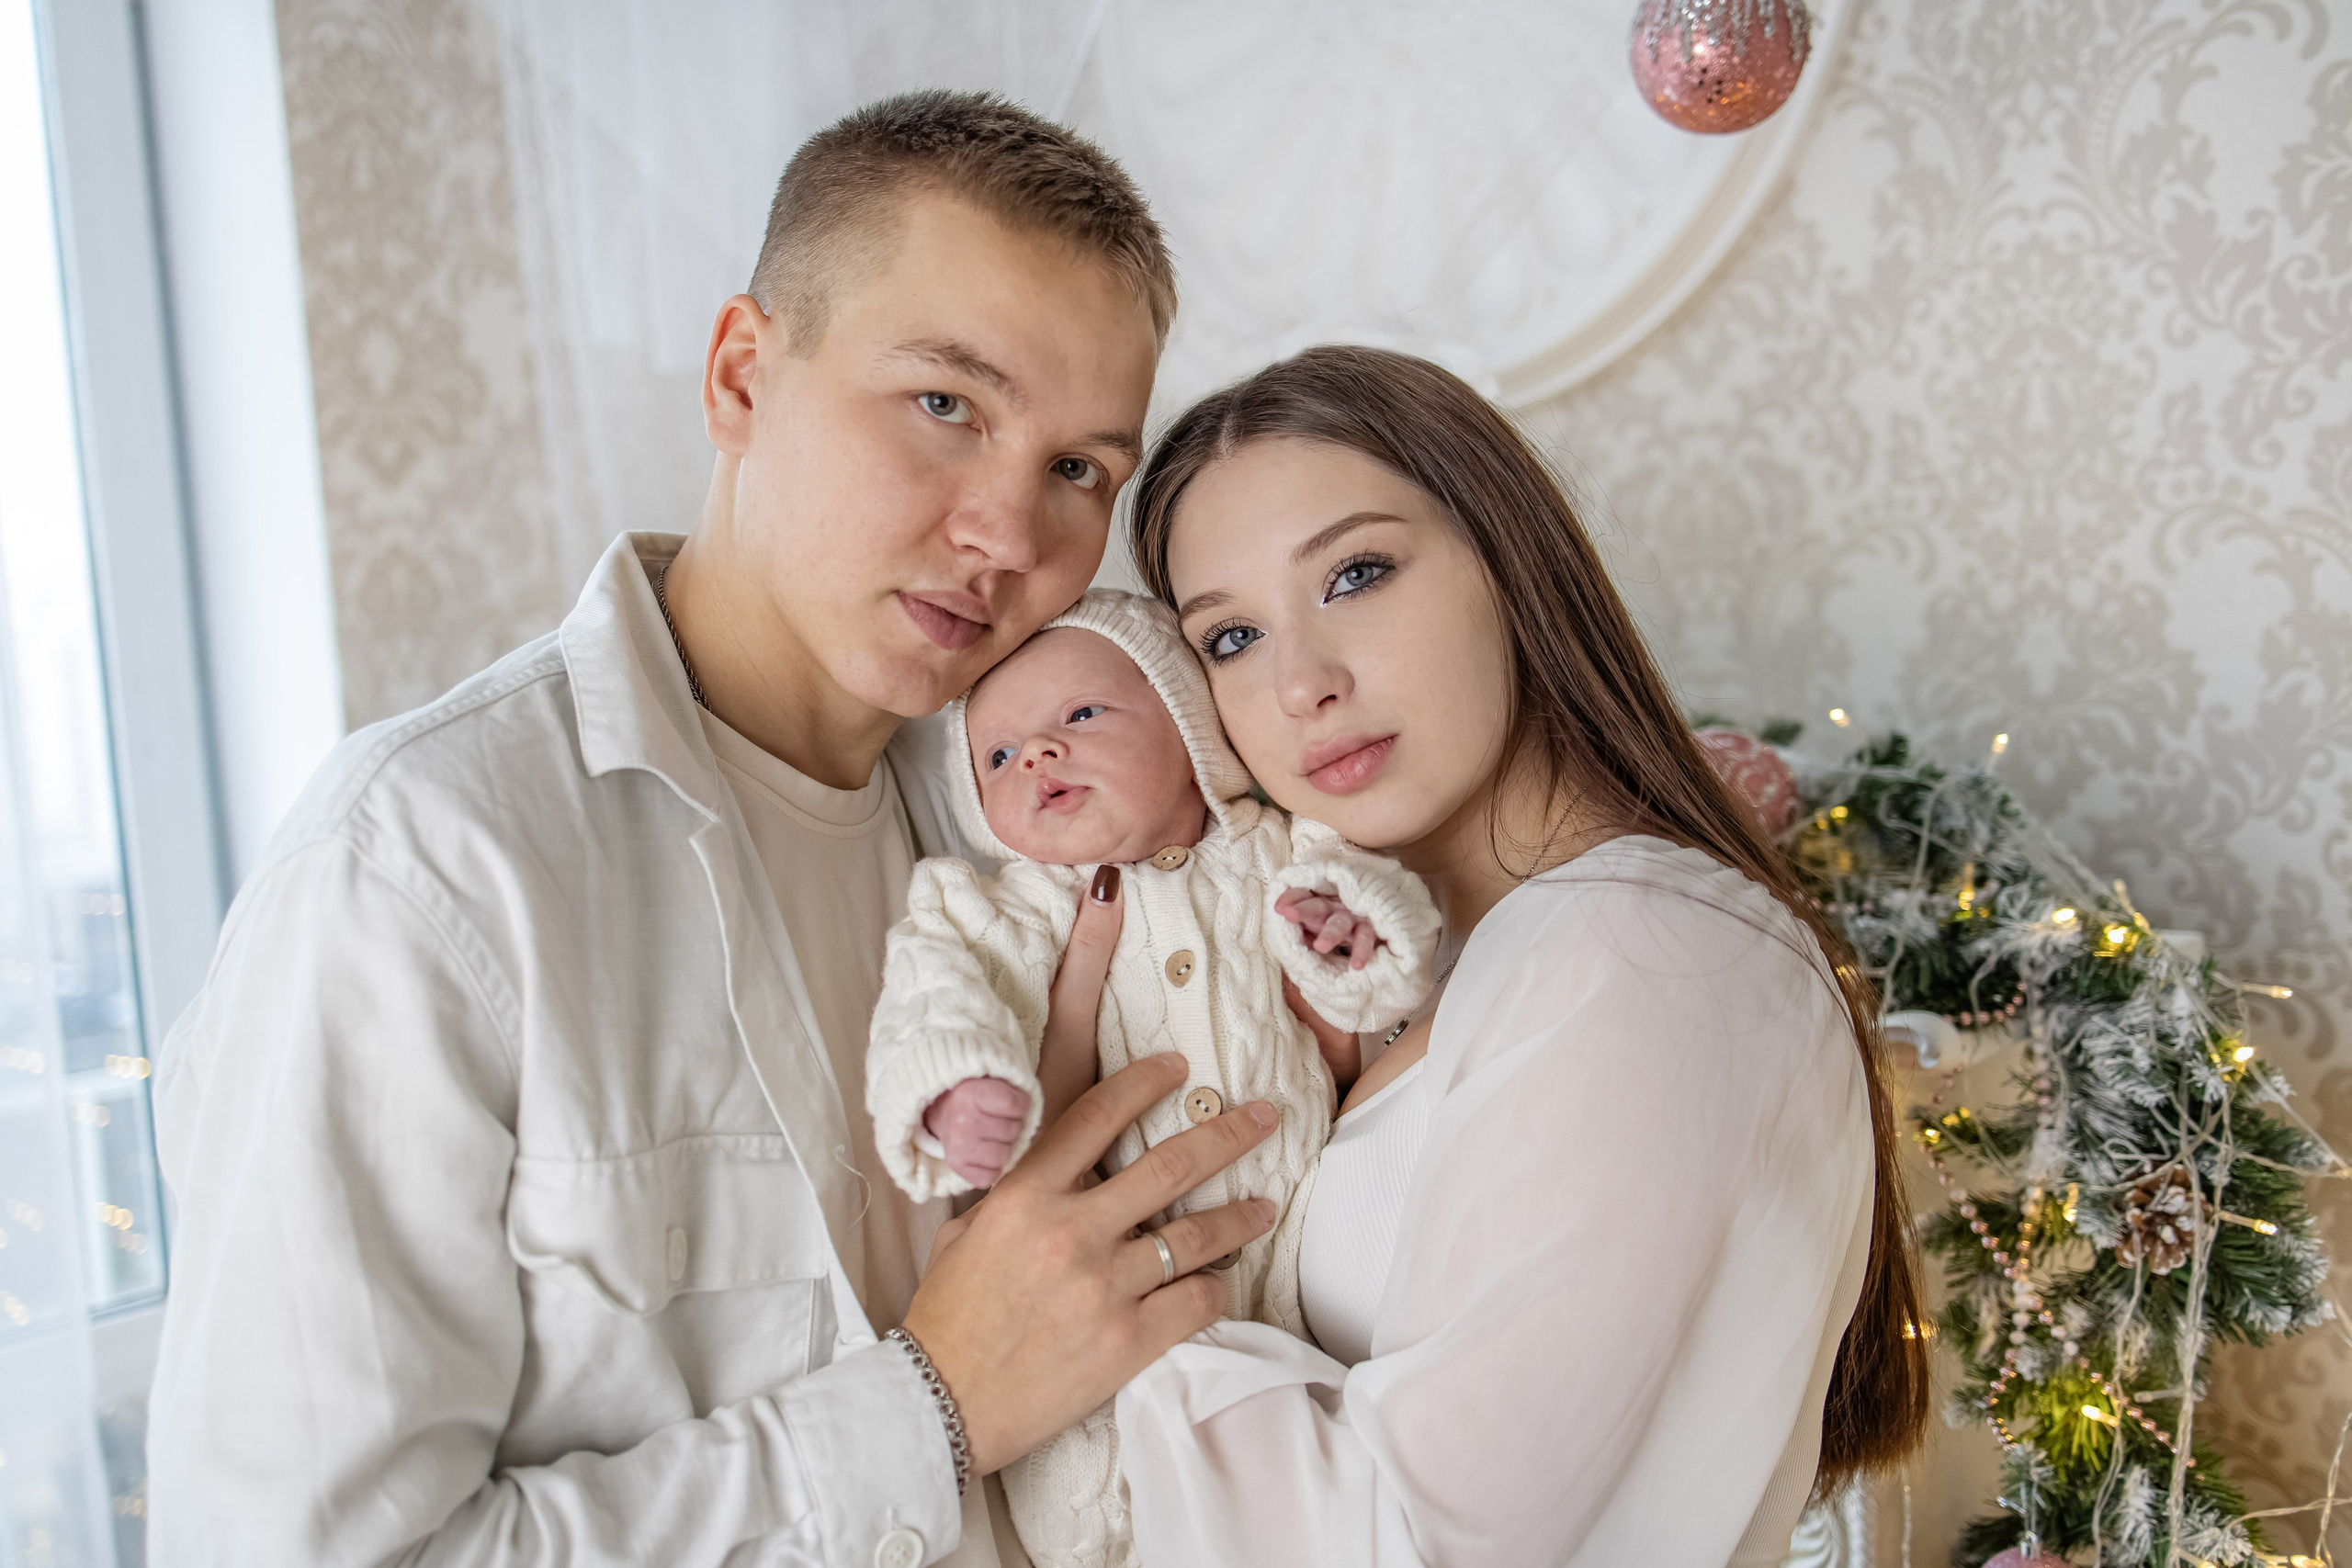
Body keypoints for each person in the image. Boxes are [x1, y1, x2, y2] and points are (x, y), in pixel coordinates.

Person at [146, 91, 1280, 1568]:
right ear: (743, 374)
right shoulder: (422, 867)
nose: (1009, 534)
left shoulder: (1048, 825)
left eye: (1079, 469)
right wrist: (933, 1406)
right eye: (945, 405)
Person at [1110, 345, 1932, 1565]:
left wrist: (1095, 1331)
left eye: (1359, 571)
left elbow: (1418, 1540)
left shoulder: (1640, 946)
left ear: (1512, 563)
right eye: (1229, 638)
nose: (1301, 682)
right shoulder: (1425, 978)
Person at [865, 588, 1439, 1567]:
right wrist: (958, 1088)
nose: (1037, 756)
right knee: (1096, 1506)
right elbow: (934, 990)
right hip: (1096, 1349)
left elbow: (1381, 936)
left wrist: (1346, 940)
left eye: (1079, 717)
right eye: (998, 756)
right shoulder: (1008, 909)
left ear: (1189, 728)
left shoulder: (1277, 852)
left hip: (1306, 1293)